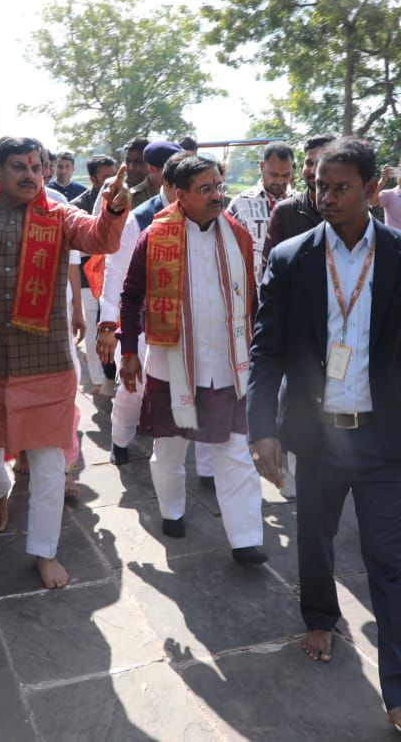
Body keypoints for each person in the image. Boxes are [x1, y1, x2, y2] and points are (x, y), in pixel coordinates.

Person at [248, 136, 401, 733]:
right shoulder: (292, 258)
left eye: (340, 187)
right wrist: (263, 429)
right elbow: (267, 351)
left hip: (387, 436)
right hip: (320, 434)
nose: (326, 196)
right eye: (320, 186)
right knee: (314, 536)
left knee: (388, 557)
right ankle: (319, 617)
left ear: (371, 190)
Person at [0, 136, 131, 589]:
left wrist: (114, 210)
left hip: (46, 360)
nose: (30, 175)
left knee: (47, 462)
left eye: (37, 167)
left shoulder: (60, 216)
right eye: (20, 167)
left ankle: (45, 551)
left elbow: (99, 237)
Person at [119, 156, 265, 565]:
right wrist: (128, 350)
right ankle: (172, 512)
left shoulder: (236, 236)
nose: (218, 195)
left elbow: (251, 296)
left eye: (219, 186)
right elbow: (130, 297)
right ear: (179, 195)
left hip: (226, 362)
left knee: (234, 449)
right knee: (168, 448)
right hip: (172, 365)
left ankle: (246, 539)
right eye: (206, 189)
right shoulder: (155, 236)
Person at [95, 143, 184, 466]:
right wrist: (108, 324)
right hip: (142, 319)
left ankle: (200, 464)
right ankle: (120, 440)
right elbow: (116, 273)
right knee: (132, 389)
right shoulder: (139, 219)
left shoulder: (199, 215)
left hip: (183, 321)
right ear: (166, 181)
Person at [71, 154, 117, 394]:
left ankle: (113, 375)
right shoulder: (80, 206)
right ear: (92, 179)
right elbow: (78, 250)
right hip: (88, 278)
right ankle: (98, 381)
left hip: (114, 274)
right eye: (106, 177)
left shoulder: (121, 200)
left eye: (115, 174)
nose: (113, 181)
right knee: (93, 328)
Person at [262, 134, 335, 266]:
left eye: (321, 163)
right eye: (309, 163)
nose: (314, 170)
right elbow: (270, 271)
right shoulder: (284, 212)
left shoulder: (350, 214)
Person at [227, 141, 294, 276]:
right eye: (274, 175)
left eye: (286, 175)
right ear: (261, 166)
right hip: (254, 290)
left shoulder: (300, 203)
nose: (281, 181)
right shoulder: (240, 204)